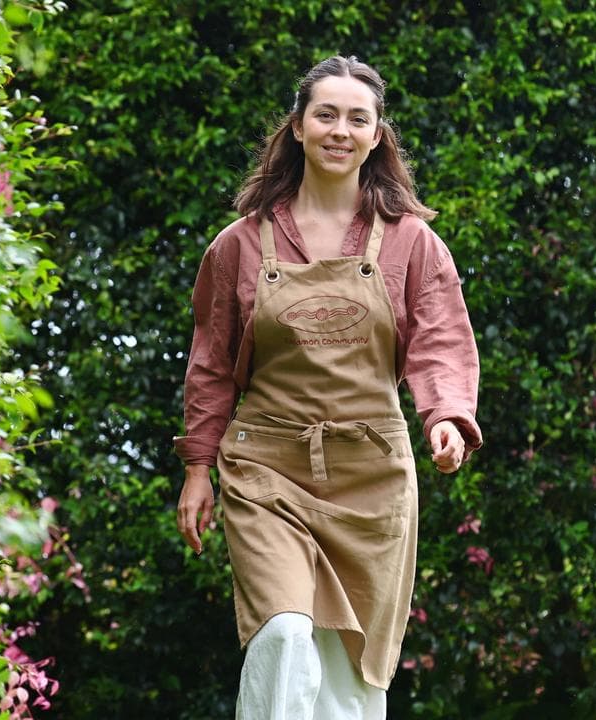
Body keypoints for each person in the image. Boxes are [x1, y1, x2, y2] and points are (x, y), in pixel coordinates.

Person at [174, 55, 482, 720]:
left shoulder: (413, 245)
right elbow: (211, 364)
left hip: (371, 475)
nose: (340, 130)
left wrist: (446, 416)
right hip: (267, 469)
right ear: (297, 127)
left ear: (376, 136)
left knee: (349, 680)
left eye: (357, 118)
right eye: (326, 114)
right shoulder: (239, 246)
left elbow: (441, 340)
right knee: (284, 634)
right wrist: (199, 465)